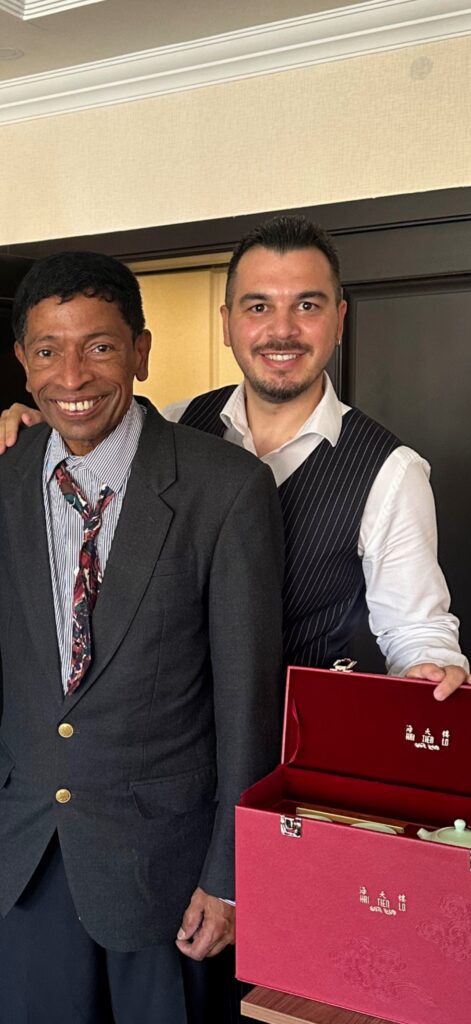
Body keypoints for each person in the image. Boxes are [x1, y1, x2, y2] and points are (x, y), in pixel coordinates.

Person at [0, 251, 284, 1024]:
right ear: (23, 361)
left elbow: (247, 705)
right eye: (48, 351)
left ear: (140, 351)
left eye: (98, 346)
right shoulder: (6, 477)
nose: (72, 376)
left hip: (166, 873)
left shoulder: (225, 487)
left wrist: (231, 877)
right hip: (26, 861)